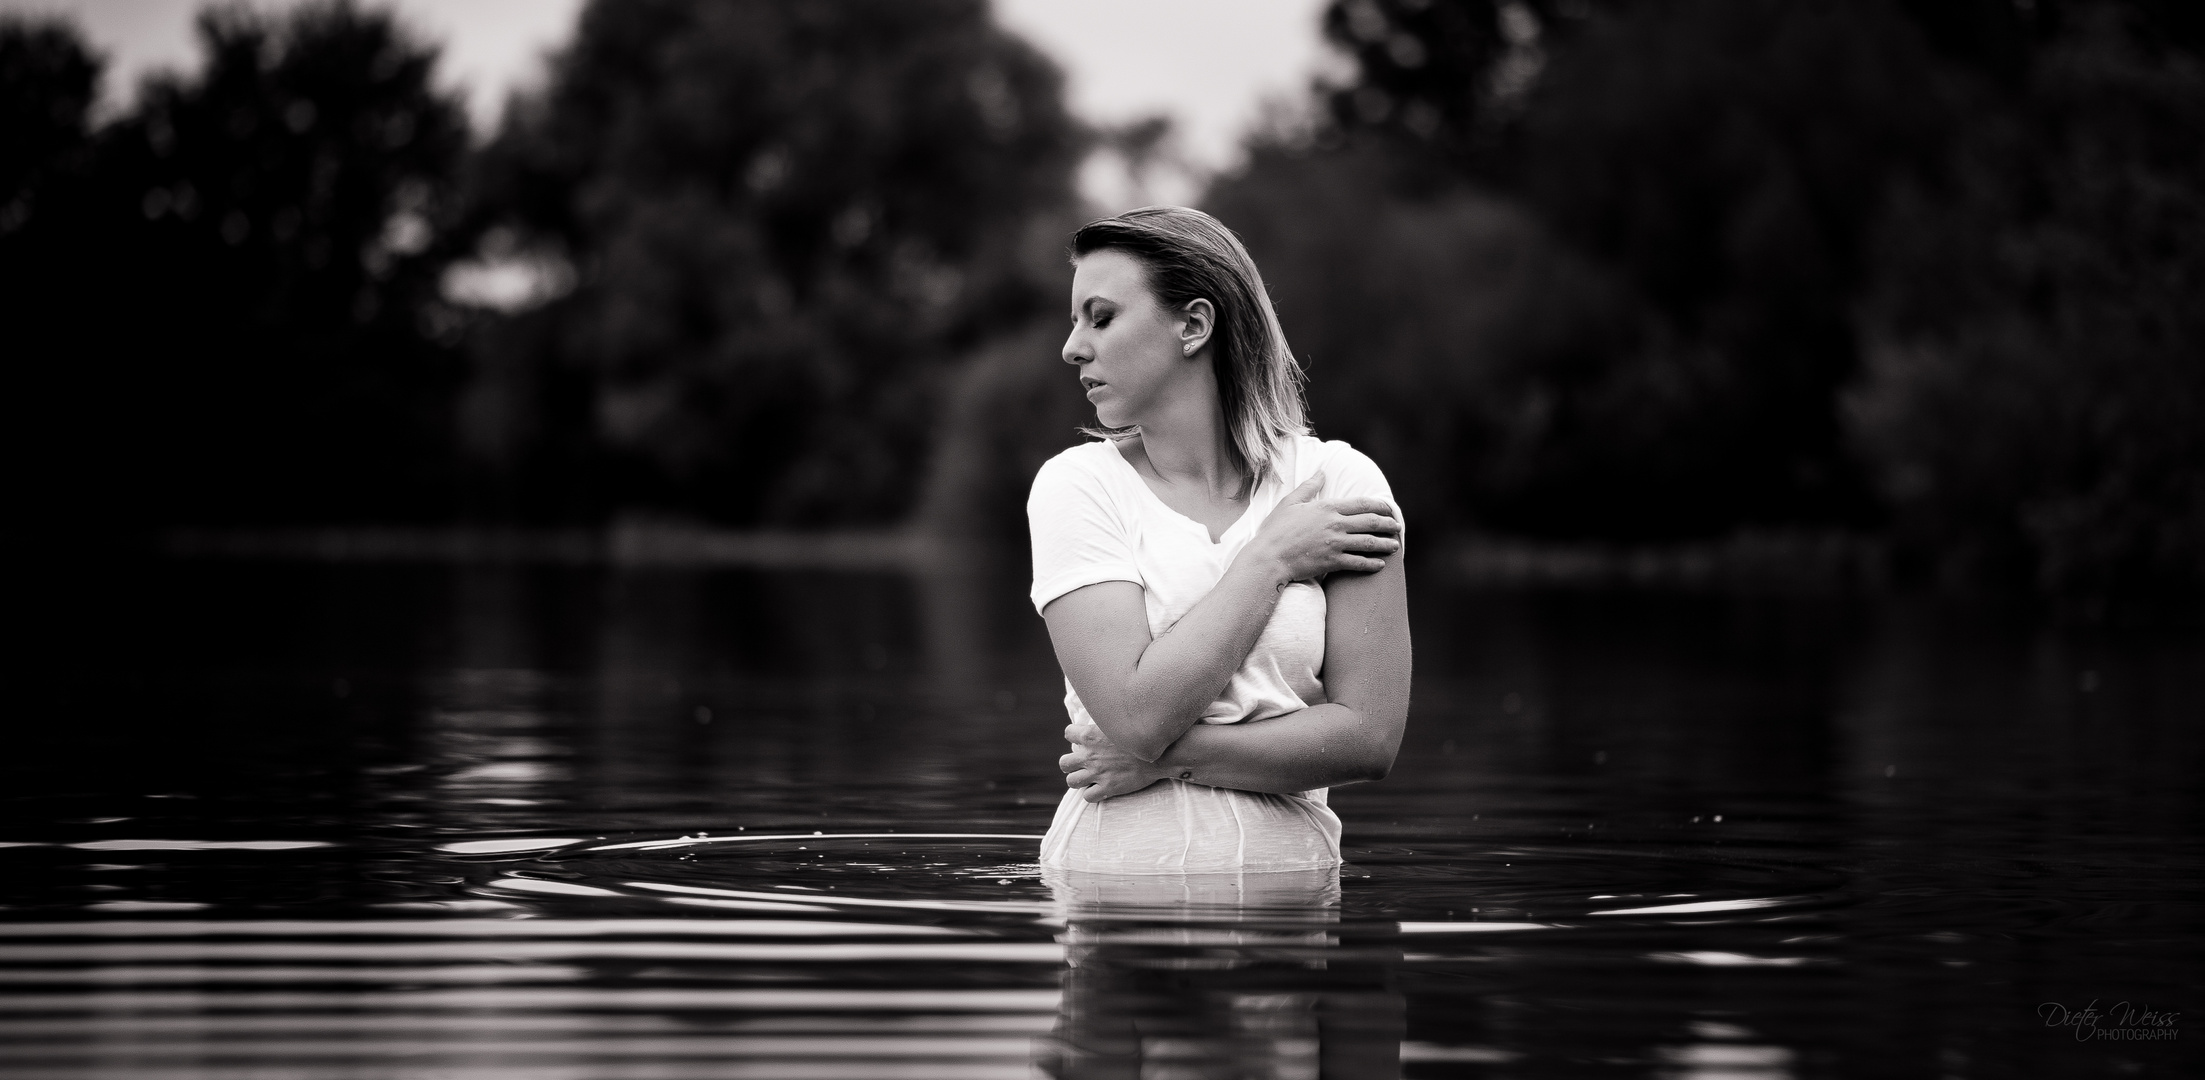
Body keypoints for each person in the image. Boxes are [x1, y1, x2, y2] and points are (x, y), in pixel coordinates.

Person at [1029, 206, 1411, 877]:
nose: (1072, 347)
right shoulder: (1077, 488)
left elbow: (1368, 738)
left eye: (1100, 316)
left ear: (1194, 325)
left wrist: (1171, 758)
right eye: (1074, 320)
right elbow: (1137, 715)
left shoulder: (1339, 482)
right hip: (1110, 913)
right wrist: (1270, 560)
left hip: (1288, 923)